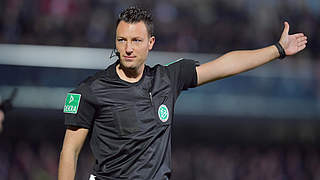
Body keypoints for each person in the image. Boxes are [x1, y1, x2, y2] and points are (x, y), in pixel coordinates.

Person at [58, 6, 307, 180]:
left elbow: (224, 65)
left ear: (151, 43)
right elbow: (70, 150)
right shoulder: (91, 90)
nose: (128, 48)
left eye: (136, 40)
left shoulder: (167, 78)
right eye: (122, 40)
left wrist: (277, 50)